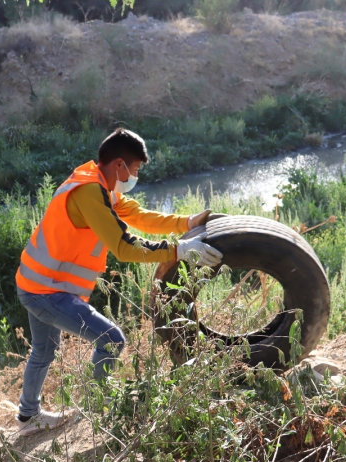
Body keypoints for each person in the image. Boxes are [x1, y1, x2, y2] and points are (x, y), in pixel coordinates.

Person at [14, 128, 223, 436]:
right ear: (119, 165)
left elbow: (140, 217)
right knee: (112, 339)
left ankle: (27, 416)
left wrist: (188, 223)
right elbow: (124, 248)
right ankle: (96, 413)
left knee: (44, 350)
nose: (135, 176)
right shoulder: (88, 193)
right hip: (46, 290)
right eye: (135, 169)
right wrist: (178, 249)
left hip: (36, 281)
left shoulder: (98, 185)